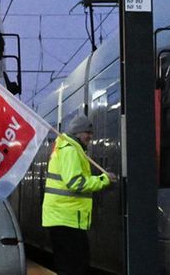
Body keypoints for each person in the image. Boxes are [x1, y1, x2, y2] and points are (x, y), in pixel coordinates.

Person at [41, 114, 114, 275]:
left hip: (64, 218)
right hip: (66, 218)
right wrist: (103, 180)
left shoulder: (66, 148)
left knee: (71, 264)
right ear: (78, 132)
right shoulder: (70, 150)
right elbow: (76, 183)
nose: (90, 136)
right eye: (87, 132)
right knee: (75, 265)